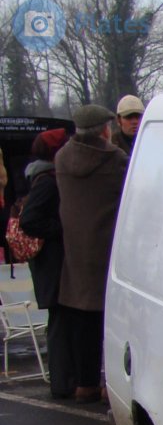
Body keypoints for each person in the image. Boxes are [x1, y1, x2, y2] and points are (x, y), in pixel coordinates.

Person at [55, 104, 128, 404]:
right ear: (104, 130)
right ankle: (109, 383)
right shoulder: (115, 159)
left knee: (80, 321)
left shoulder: (61, 158)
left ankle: (84, 382)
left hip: (74, 249)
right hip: (108, 249)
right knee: (111, 323)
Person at [18, 128, 72, 398]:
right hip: (52, 264)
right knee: (60, 322)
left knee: (60, 321)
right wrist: (61, 229)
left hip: (49, 264)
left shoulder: (41, 177)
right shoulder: (47, 181)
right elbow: (29, 220)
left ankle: (63, 381)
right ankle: (62, 383)